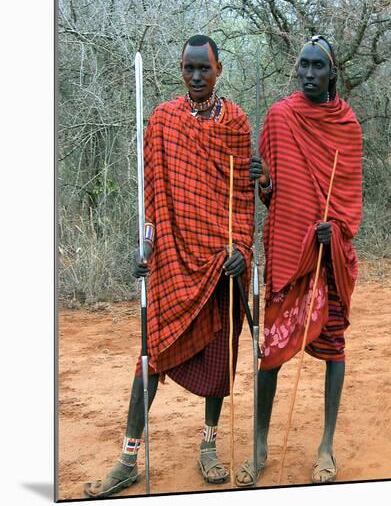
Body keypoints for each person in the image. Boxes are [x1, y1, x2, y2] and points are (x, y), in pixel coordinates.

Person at [84, 35, 254, 498]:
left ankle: (209, 445)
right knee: (150, 357)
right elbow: (151, 199)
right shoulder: (162, 120)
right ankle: (127, 458)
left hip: (220, 260)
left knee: (221, 358)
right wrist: (144, 249)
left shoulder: (236, 122)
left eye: (204, 69)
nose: (196, 77)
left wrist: (240, 246)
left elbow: (241, 197)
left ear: (219, 69)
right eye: (188, 69)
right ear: (180, 70)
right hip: (172, 261)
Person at [235, 35, 362, 486]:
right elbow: (269, 194)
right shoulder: (279, 117)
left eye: (317, 67)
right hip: (290, 251)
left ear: (331, 73)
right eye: (303, 66)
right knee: (269, 351)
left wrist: (338, 228)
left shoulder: (346, 125)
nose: (309, 74)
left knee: (333, 349)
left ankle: (325, 446)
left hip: (328, 255)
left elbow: (349, 196)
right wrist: (263, 179)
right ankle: (261, 444)